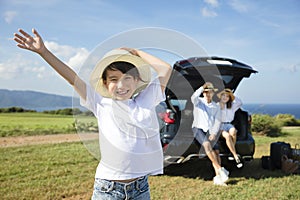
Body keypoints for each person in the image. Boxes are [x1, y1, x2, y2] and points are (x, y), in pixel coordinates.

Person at [14, 28, 172, 200]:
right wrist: (44, 52)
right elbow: (71, 78)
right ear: (104, 83)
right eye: (113, 79)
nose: (121, 85)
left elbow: (165, 68)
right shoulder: (101, 103)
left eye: (127, 78)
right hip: (109, 189)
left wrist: (136, 53)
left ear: (136, 81)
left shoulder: (146, 101)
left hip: (140, 187)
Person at [191, 82, 229, 186]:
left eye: (210, 92)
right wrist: (202, 86)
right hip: (198, 128)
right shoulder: (198, 102)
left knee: (216, 152)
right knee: (207, 145)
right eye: (206, 92)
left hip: (210, 131)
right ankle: (220, 170)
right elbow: (193, 96)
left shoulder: (215, 107)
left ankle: (218, 178)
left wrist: (213, 133)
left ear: (212, 93)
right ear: (203, 93)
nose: (208, 94)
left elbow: (217, 121)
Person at [217, 88, 243, 168]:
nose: (225, 97)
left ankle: (231, 153)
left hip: (228, 125)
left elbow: (240, 102)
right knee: (227, 136)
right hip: (218, 126)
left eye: (227, 96)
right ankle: (235, 156)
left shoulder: (231, 106)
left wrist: (231, 94)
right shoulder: (216, 105)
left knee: (233, 131)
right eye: (223, 95)